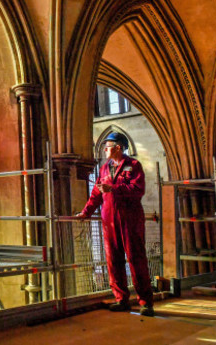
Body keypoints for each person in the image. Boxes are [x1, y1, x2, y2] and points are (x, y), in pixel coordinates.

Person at [77, 132, 154, 316]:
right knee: (113, 261)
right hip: (109, 222)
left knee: (136, 260)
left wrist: (113, 188)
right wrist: (86, 212)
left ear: (118, 147)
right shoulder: (104, 169)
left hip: (130, 220)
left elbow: (137, 189)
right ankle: (121, 299)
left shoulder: (134, 166)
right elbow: (96, 193)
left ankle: (146, 303)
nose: (105, 149)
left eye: (108, 145)